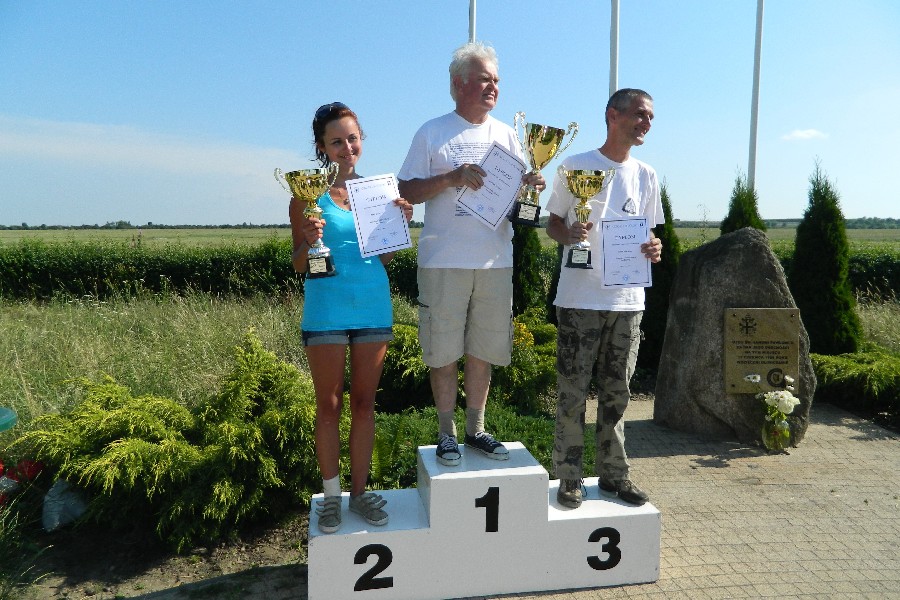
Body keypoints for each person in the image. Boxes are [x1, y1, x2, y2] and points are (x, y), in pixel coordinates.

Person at [397, 42, 545, 467]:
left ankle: (476, 430)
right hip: (443, 261)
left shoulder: (508, 135)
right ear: (459, 83)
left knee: (483, 350)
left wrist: (530, 187)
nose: (492, 86)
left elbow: (515, 200)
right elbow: (406, 190)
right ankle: (446, 434)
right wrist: (451, 178)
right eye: (484, 79)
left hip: (495, 261)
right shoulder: (432, 131)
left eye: (496, 80)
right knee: (443, 351)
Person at [288, 102, 413, 533]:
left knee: (364, 404)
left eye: (352, 138)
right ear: (322, 147)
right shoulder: (305, 196)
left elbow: (384, 258)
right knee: (328, 405)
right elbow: (300, 265)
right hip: (325, 310)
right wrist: (309, 241)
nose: (347, 147)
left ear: (362, 140)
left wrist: (401, 223)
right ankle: (330, 497)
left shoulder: (378, 192)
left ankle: (358, 494)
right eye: (336, 141)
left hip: (373, 306)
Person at [545, 89, 664, 508]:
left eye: (650, 118)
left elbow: (649, 232)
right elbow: (552, 223)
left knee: (618, 394)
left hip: (628, 302)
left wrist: (655, 247)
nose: (646, 123)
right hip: (580, 298)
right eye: (639, 114)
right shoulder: (575, 165)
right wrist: (568, 234)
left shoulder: (647, 174)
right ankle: (569, 476)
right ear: (613, 115)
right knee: (572, 392)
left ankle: (614, 475)